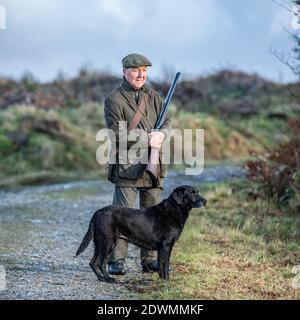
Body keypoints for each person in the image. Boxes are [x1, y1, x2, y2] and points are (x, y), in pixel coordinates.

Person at [104, 53, 172, 275]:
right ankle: (116, 261)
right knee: (122, 216)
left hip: (153, 164)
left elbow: (168, 122)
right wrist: (147, 138)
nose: (141, 74)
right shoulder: (113, 100)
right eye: (135, 70)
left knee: (153, 216)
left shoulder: (154, 97)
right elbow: (118, 133)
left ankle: (150, 260)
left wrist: (161, 134)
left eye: (144, 70)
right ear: (124, 71)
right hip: (127, 166)